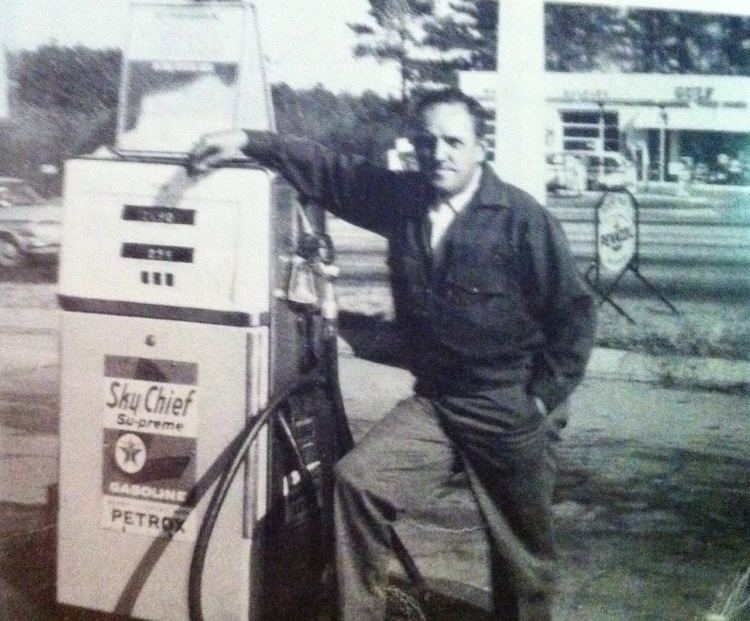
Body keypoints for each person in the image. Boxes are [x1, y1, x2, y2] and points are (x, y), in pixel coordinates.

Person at [187, 87, 596, 621]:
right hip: (437, 405)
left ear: (480, 147)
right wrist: (248, 140)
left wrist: (539, 401)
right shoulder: (403, 201)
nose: (440, 153)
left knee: (520, 560)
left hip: (507, 406)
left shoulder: (520, 218)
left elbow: (574, 313)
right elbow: (333, 170)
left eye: (454, 141)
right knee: (356, 483)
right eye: (428, 142)